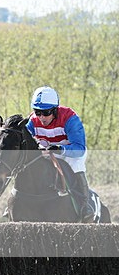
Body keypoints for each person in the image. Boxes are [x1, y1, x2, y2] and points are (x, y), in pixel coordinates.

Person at [26, 85, 95, 221]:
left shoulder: (70, 119)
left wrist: (59, 149)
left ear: (55, 110)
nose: (41, 117)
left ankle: (85, 206)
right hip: (48, 152)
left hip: (71, 152)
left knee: (76, 167)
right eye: (37, 112)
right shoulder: (32, 121)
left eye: (46, 113)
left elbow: (79, 149)